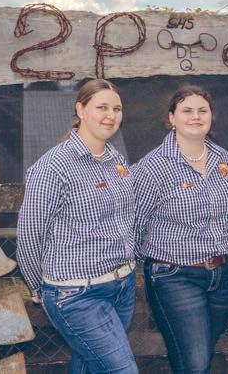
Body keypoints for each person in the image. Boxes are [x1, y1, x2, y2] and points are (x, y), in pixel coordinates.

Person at [17, 79, 138, 374]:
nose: (110, 115)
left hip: (122, 286)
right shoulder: (53, 166)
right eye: (102, 107)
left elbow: (125, 218)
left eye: (117, 109)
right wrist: (35, 284)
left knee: (89, 364)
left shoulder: (116, 160)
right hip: (77, 294)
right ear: (80, 110)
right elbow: (30, 231)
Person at [132, 85, 228, 374]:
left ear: (212, 116)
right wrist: (147, 265)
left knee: (200, 356)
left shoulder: (224, 160)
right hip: (175, 275)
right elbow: (135, 223)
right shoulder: (153, 167)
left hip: (222, 274)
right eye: (187, 110)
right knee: (195, 363)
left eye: (202, 110)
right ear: (171, 118)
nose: (195, 116)